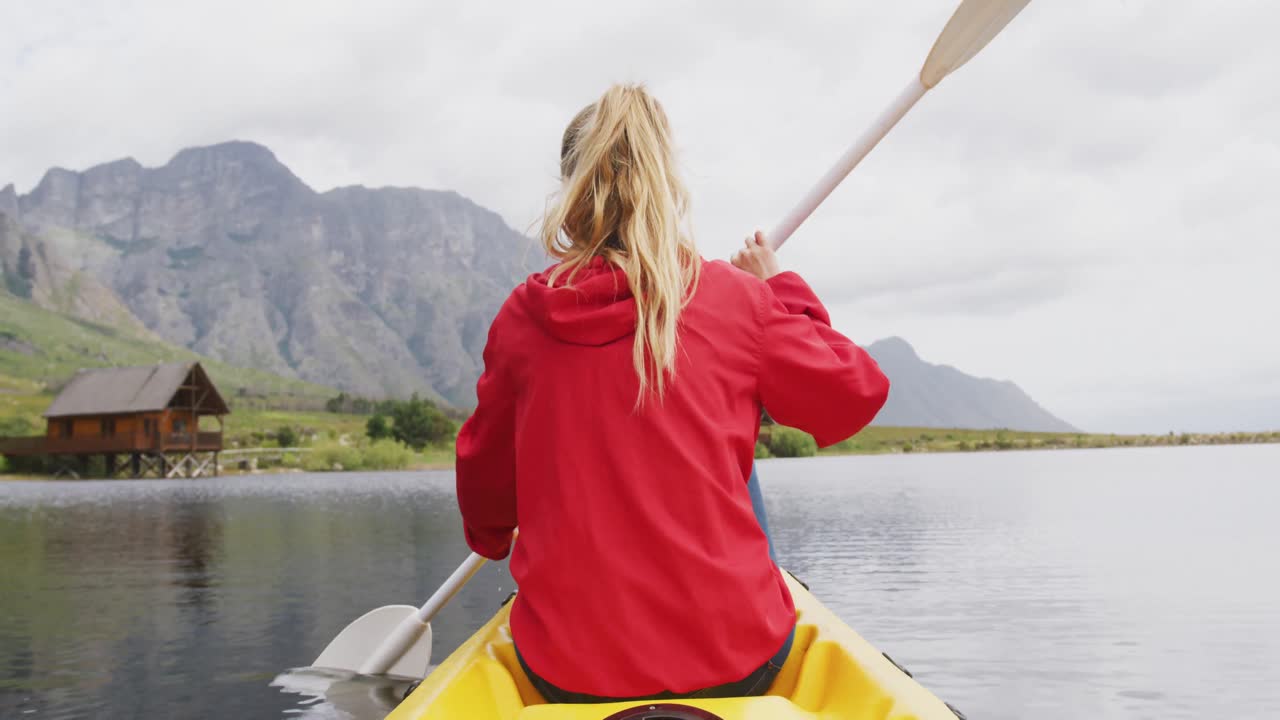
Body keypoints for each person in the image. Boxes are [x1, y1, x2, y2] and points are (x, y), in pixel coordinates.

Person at [455, 83, 889, 704]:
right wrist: (781, 289)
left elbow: (484, 477)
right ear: (667, 181)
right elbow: (855, 393)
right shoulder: (737, 300)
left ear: (571, 190)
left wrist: (493, 537)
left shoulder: (524, 318)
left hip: (569, 672)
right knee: (737, 431)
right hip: (735, 658)